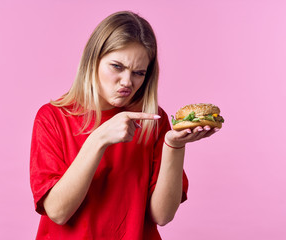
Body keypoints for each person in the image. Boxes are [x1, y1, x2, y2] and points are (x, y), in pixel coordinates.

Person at [30, 11, 219, 239]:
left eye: (139, 73)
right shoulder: (52, 118)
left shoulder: (153, 121)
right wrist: (100, 139)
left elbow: (163, 215)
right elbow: (58, 212)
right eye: (117, 67)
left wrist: (174, 146)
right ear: (94, 60)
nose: (128, 82)